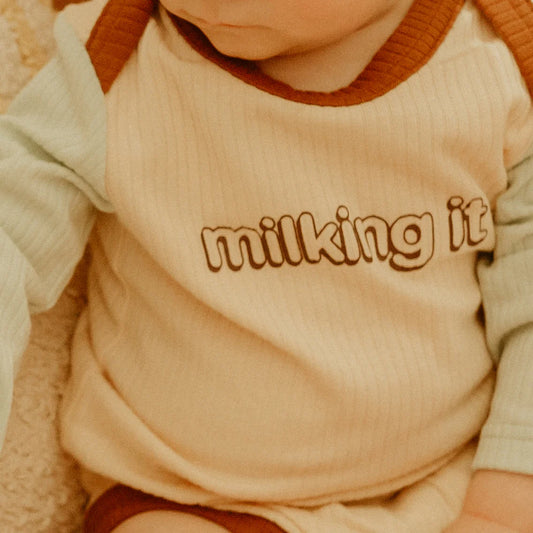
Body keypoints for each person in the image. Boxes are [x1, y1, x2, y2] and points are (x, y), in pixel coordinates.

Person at [1, 0, 532, 531]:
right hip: (196, 497)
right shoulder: (116, 55)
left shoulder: (498, 55)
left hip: (455, 481)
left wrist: (503, 505)